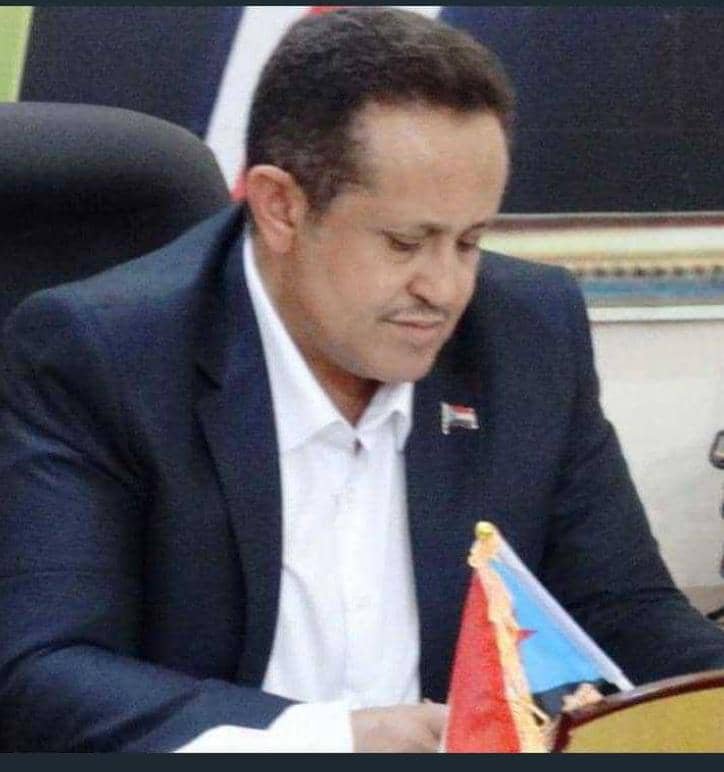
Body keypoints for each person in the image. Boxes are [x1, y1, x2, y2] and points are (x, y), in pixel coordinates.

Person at [0, 8, 722, 753]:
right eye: (406, 242)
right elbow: (42, 676)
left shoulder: (526, 333)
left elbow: (624, 614)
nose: (445, 288)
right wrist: (336, 737)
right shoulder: (106, 353)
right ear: (281, 208)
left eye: (470, 241)